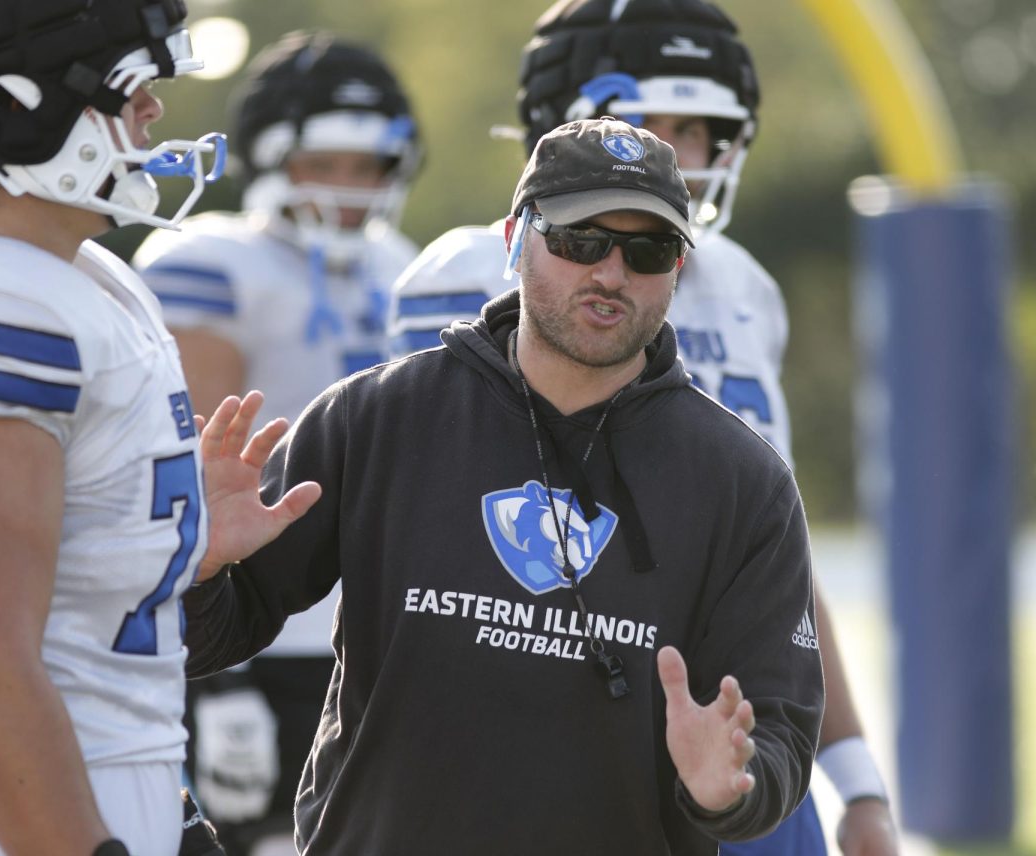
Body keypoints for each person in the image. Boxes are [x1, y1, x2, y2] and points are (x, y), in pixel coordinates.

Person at [183, 116, 824, 854]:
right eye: (580, 240)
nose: (611, 273)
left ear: (679, 266)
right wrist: (200, 570)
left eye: (649, 249)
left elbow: (778, 729)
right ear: (517, 237)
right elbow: (213, 637)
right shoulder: (375, 418)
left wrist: (727, 791)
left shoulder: (745, 482)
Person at [388, 2, 900, 853]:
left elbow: (780, 562)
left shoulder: (745, 291)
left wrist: (857, 782)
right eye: (640, 121)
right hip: (550, 749)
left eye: (693, 128)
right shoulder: (474, 271)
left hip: (737, 748)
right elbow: (435, 555)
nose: (671, 154)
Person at [0, 1, 319, 854]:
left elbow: (76, 652)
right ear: (17, 102)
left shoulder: (86, 279)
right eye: (131, 87)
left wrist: (164, 543)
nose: (153, 112)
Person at [130, 30, 423, 856]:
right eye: (327, 161)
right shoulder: (214, 258)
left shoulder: (402, 265)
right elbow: (192, 471)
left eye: (368, 167)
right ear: (270, 155)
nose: (349, 188)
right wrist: (222, 675)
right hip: (250, 625)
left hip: (372, 636)